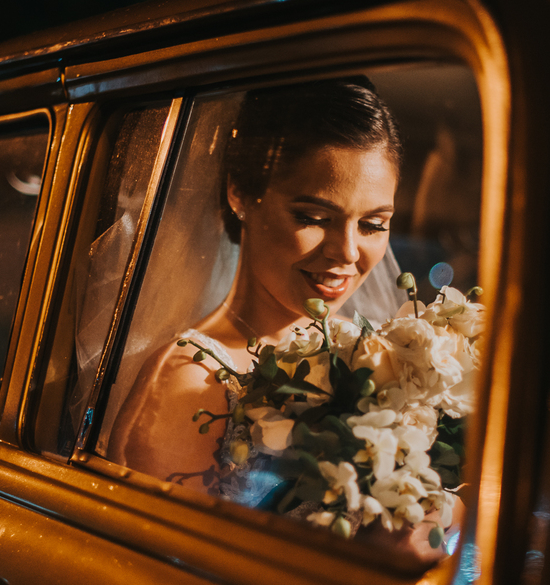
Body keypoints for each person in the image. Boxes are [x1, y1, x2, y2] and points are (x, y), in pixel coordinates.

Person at [109, 78, 447, 559]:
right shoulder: (193, 384)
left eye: (373, 225)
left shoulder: (365, 351)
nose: (347, 252)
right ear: (241, 193)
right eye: (313, 217)